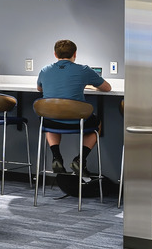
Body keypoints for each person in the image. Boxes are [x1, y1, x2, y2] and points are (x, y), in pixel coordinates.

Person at [36, 38, 112, 182]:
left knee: (50, 122)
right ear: (75, 54)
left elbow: (39, 88)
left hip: (52, 121)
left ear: (55, 54)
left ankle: (56, 157)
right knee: (96, 125)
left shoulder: (45, 70)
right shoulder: (83, 70)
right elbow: (107, 88)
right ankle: (80, 160)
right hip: (78, 121)